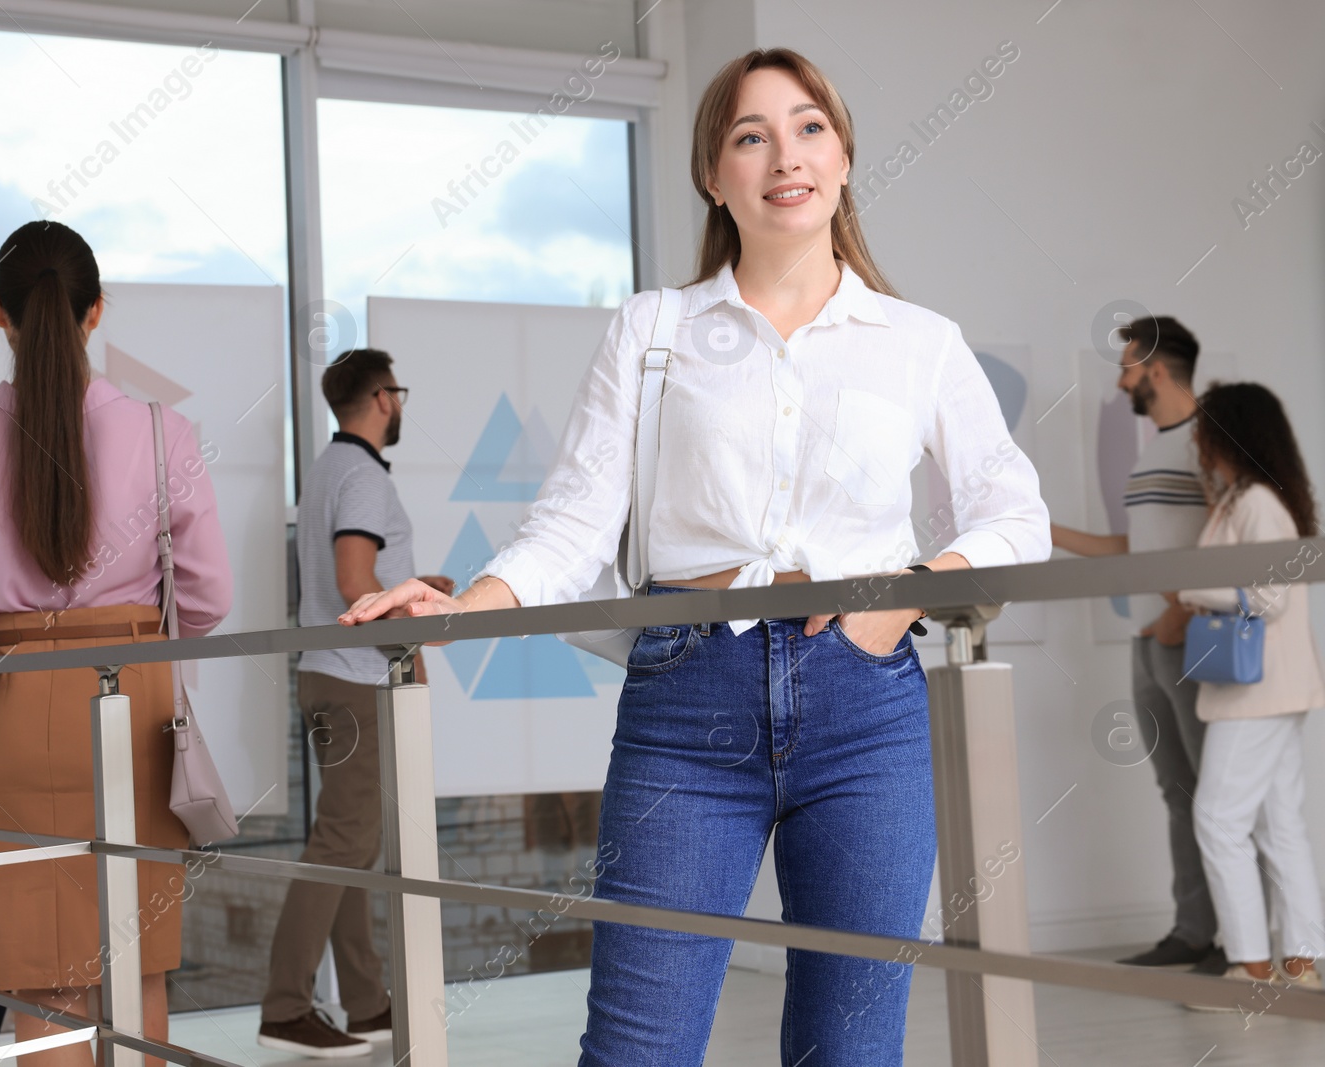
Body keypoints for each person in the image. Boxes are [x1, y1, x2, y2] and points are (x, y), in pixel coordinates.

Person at [340, 48, 1050, 1066]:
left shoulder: (917, 340)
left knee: (850, 1049)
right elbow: (573, 522)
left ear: (844, 156)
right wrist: (466, 604)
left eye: (808, 127)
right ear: (714, 175)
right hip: (688, 696)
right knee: (638, 1045)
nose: (783, 155)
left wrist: (907, 591)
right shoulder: (652, 327)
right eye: (749, 135)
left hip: (868, 706)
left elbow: (1013, 514)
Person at [0, 221, 233, 1066]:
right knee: (138, 958)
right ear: (95, 310)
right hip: (132, 703)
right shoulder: (160, 432)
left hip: (11, 710)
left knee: (44, 975)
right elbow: (210, 600)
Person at [258, 348, 453, 1057]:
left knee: (351, 841)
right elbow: (351, 580)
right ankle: (285, 1007)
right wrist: (420, 632)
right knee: (344, 841)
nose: (398, 404)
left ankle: (367, 1004)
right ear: (381, 397)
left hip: (329, 674)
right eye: (396, 392)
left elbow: (361, 575)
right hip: (357, 681)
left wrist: (408, 581)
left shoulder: (328, 469)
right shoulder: (364, 474)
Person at [1050, 317, 1224, 972]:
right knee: (1178, 790)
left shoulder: (1212, 439)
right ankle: (1194, 929)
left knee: (1219, 792)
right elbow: (1134, 549)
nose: (1121, 380)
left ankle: (1247, 941)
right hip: (1147, 643)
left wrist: (1179, 611)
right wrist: (1048, 530)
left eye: (1126, 367)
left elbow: (1231, 532)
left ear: (1155, 369)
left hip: (1193, 638)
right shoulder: (1154, 451)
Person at [1175, 382, 1323, 1006]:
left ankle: (1252, 969)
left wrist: (1192, 590)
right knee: (1279, 825)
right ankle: (1303, 963)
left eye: (1205, 428)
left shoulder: (1259, 502)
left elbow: (1269, 597)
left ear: (1228, 432)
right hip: (1267, 688)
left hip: (1258, 692)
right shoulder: (1241, 499)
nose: (1195, 439)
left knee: (1217, 819)